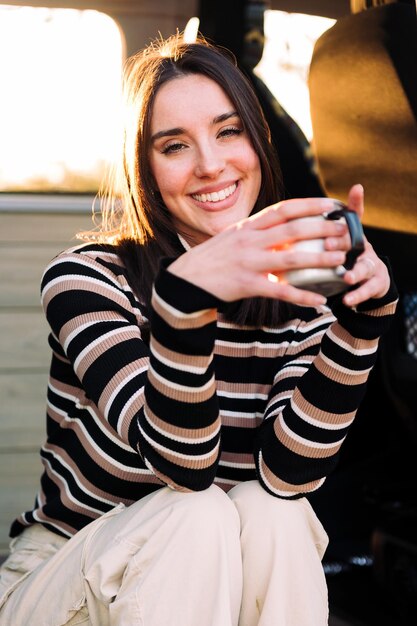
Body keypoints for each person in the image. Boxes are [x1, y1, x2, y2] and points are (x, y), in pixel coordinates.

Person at [0, 33, 397, 626]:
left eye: (228, 131)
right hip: (67, 583)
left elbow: (289, 476)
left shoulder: (303, 297)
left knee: (276, 514)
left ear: (258, 143)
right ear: (145, 168)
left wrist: (361, 325)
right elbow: (181, 468)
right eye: (175, 145)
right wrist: (184, 306)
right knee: (197, 510)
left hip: (211, 592)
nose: (211, 164)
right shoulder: (86, 280)